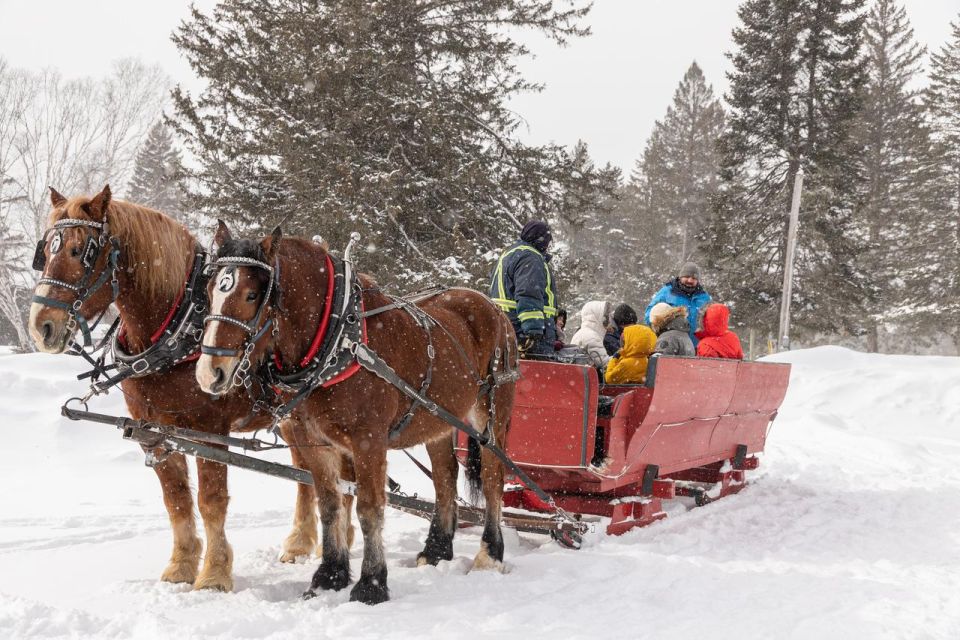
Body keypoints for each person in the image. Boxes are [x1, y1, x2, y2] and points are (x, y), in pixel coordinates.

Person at [489, 220, 559, 357]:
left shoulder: (510, 253)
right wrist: (533, 329)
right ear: (541, 239)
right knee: (537, 374)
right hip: (524, 330)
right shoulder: (530, 257)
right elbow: (528, 293)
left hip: (506, 325)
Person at [644, 262, 711, 346]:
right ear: (680, 277)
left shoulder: (704, 297)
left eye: (694, 278)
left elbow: (711, 321)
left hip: (696, 347)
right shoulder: (666, 292)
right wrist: (662, 329)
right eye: (687, 277)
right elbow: (649, 315)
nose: (690, 280)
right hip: (671, 345)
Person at [570, 300, 611, 367]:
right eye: (605, 316)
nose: (607, 320)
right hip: (585, 376)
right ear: (597, 316)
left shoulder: (581, 332)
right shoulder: (591, 336)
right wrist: (619, 358)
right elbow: (604, 363)